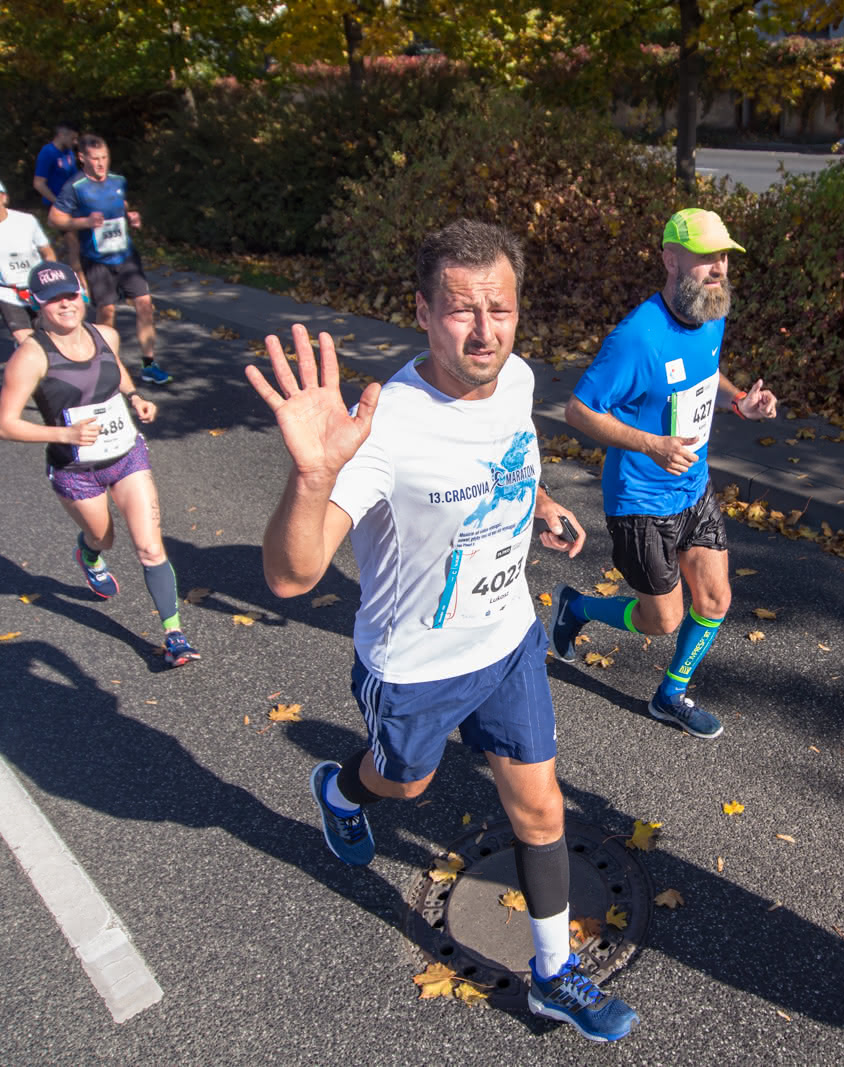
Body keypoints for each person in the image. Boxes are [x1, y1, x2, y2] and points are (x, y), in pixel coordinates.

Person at [248, 220, 639, 1043]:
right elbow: (292, 575)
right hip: (414, 667)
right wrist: (313, 475)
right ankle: (340, 788)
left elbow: (510, 448)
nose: (486, 329)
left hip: (507, 641)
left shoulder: (520, 376)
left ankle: (550, 976)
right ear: (423, 311)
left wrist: (534, 503)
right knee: (404, 786)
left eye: (501, 308)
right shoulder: (383, 429)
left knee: (541, 805)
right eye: (463, 310)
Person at [547, 208, 778, 741]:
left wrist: (742, 403)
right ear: (671, 259)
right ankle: (577, 606)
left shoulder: (711, 311)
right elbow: (580, 411)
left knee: (716, 600)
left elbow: (706, 370)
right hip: (640, 501)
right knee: (664, 620)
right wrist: (650, 444)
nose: (719, 267)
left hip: (693, 488)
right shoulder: (638, 338)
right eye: (705, 257)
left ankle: (669, 694)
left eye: (723, 256)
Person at [0, 261, 201, 667]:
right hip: (76, 470)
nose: (65, 304)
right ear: (36, 304)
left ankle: (174, 635)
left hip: (126, 454)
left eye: (70, 294)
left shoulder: (104, 333)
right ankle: (89, 555)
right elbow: (5, 426)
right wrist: (63, 435)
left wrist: (135, 396)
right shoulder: (31, 356)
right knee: (103, 539)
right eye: (53, 299)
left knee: (149, 546)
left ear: (82, 294)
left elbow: (116, 371)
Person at [48, 134, 168, 385]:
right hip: (97, 259)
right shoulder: (75, 187)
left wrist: (131, 216)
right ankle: (109, 364)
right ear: (82, 158)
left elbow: (119, 203)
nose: (101, 164)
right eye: (95, 159)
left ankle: (149, 363)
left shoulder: (117, 180)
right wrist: (84, 222)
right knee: (107, 312)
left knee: (145, 305)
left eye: (105, 157)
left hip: (126, 255)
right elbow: (55, 219)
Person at [0, 174, 57, 345]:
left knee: (49, 338)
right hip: (6, 293)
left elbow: (47, 252)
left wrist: (52, 278)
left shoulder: (27, 221)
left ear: (4, 196)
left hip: (37, 289)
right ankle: (26, 356)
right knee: (26, 341)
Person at [32, 122, 79, 209]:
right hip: (53, 207)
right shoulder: (47, 152)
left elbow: (75, 178)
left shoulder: (69, 153)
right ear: (61, 135)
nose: (75, 142)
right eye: (72, 139)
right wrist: (57, 203)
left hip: (71, 204)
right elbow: (38, 183)